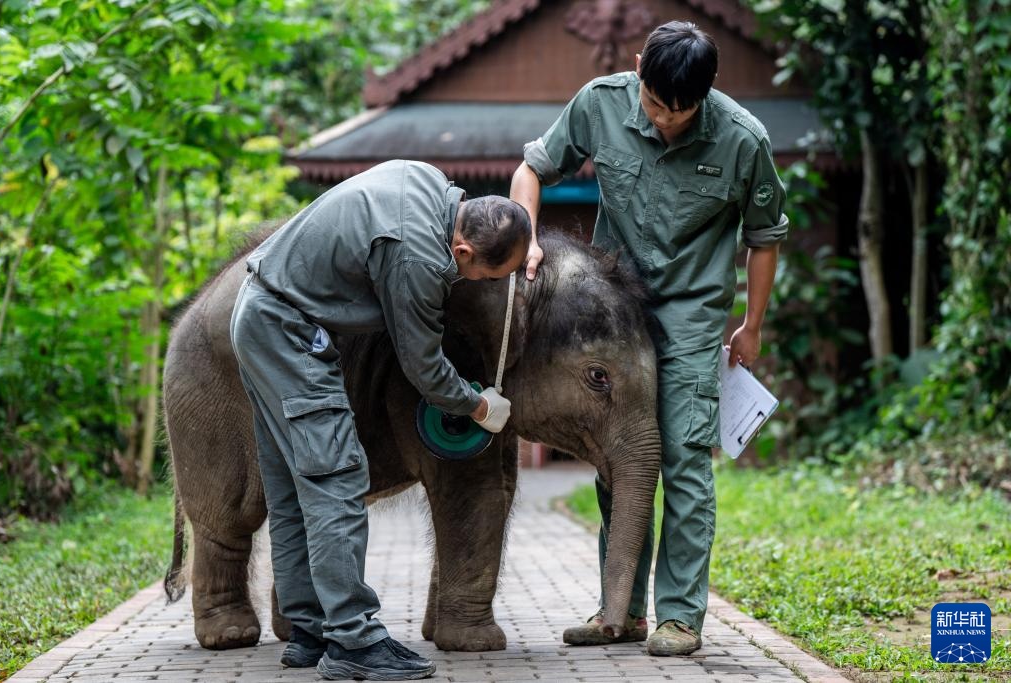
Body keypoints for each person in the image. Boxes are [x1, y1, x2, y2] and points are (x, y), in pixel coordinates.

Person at [510, 21, 788, 656]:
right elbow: (532, 170)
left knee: (683, 458)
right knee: (619, 459)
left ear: (706, 95)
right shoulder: (599, 102)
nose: (664, 120)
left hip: (692, 314)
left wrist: (752, 326)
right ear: (637, 70)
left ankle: (680, 616)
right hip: (613, 312)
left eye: (679, 110)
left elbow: (766, 236)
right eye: (654, 103)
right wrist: (526, 238)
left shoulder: (744, 140)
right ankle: (621, 611)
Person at [230, 160, 530, 680]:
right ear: (462, 252)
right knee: (338, 477)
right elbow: (424, 368)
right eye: (483, 275)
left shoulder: (427, 180)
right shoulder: (418, 257)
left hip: (258, 314)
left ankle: (310, 631)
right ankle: (353, 641)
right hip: (287, 331)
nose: (475, 282)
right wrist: (477, 405)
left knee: (291, 482)